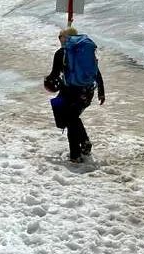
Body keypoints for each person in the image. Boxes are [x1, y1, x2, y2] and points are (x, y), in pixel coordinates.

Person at [44, 26, 105, 163]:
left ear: (65, 38)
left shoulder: (61, 53)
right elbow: (96, 72)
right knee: (71, 117)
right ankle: (84, 143)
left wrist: (47, 82)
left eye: (60, 36)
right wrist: (101, 92)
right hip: (87, 92)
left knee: (70, 120)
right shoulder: (85, 53)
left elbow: (54, 76)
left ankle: (75, 155)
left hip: (70, 92)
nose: (59, 39)